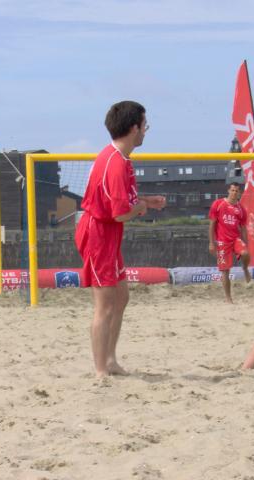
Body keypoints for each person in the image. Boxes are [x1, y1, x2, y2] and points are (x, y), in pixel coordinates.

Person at [75, 100, 166, 378]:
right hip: (99, 234)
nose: (146, 131)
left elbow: (123, 203)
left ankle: (111, 359)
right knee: (104, 305)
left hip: (107, 233)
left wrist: (147, 201)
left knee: (121, 296)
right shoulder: (114, 163)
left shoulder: (122, 159)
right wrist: (141, 208)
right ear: (133, 127)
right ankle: (101, 369)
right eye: (144, 125)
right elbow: (120, 213)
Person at [208, 182, 251, 303]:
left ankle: (245, 269)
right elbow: (212, 225)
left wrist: (245, 243)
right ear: (228, 191)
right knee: (225, 271)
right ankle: (228, 298)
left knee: (246, 253)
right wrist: (211, 243)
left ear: (239, 193)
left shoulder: (241, 209)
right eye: (232, 190)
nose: (234, 193)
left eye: (236, 191)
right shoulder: (218, 204)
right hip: (222, 242)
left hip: (235, 239)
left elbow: (243, 228)